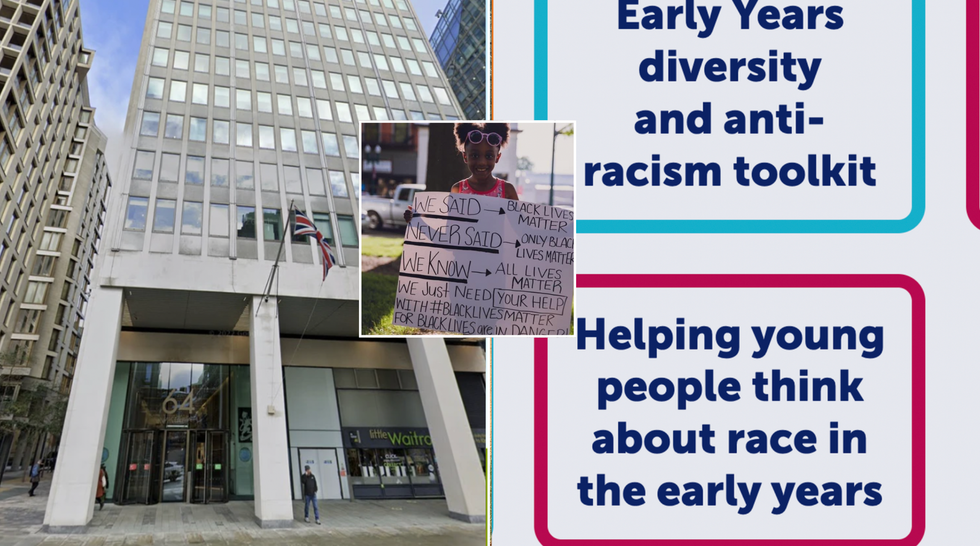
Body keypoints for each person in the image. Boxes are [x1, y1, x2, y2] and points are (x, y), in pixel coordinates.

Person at [404, 122, 519, 224]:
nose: (482, 162)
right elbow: (449, 230)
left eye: (489, 156)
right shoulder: (458, 189)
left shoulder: (507, 190)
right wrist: (416, 220)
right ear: (465, 157)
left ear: (497, 157)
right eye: (475, 155)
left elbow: (522, 229)